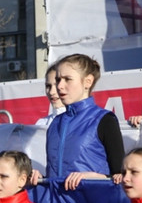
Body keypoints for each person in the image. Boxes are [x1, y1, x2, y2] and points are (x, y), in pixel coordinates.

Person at [37, 54, 124, 190]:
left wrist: (92, 177)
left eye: (67, 79)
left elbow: (120, 177)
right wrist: (41, 179)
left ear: (87, 82)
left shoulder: (105, 120)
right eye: (58, 79)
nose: (60, 86)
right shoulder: (54, 124)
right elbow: (55, 174)